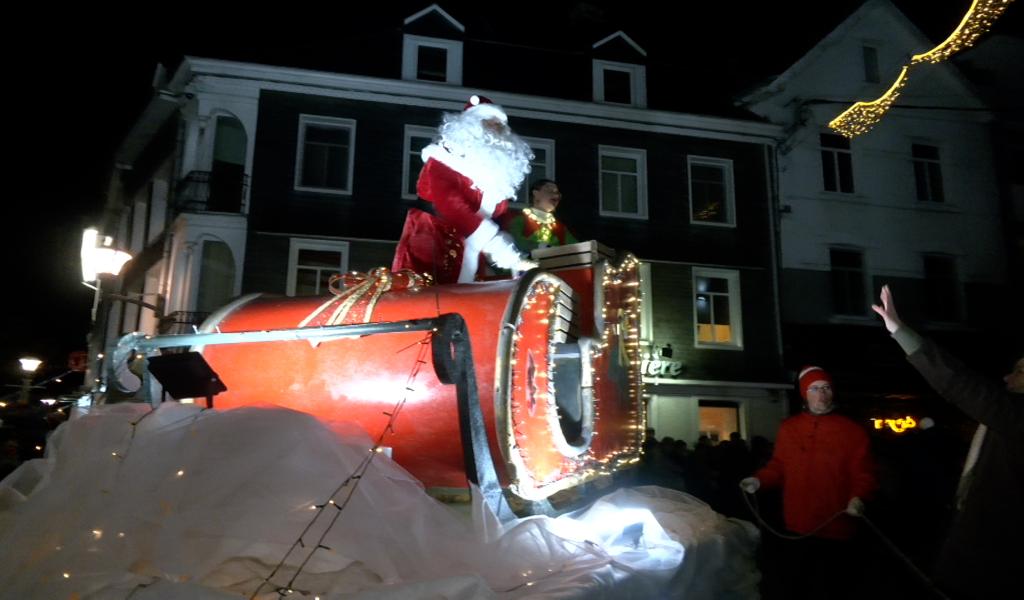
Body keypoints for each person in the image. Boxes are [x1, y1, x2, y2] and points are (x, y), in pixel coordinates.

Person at [872, 284, 1023, 599]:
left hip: (991, 561)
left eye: (1020, 371)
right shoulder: (1005, 419)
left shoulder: (1014, 416)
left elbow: (959, 382)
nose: (1007, 378)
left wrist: (900, 332)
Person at [740, 365, 877, 599]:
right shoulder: (789, 428)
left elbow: (863, 473)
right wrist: (759, 480)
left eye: (826, 388)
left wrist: (859, 497)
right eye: (814, 388)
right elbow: (779, 466)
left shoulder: (852, 431)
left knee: (832, 587)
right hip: (797, 525)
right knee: (797, 585)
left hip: (836, 525)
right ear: (804, 393)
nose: (821, 394)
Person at [392, 95, 537, 284]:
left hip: (472, 254)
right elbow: (450, 204)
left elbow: (500, 216)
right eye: (490, 122)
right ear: (471, 125)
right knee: (426, 300)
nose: (498, 128)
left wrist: (510, 246)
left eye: (501, 124)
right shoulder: (442, 160)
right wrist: (495, 243)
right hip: (433, 247)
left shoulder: (495, 177)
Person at [500, 179, 577, 254]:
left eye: (557, 193)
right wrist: (540, 247)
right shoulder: (520, 219)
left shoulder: (560, 227)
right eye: (550, 191)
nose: (556, 195)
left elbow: (576, 247)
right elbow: (516, 241)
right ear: (536, 194)